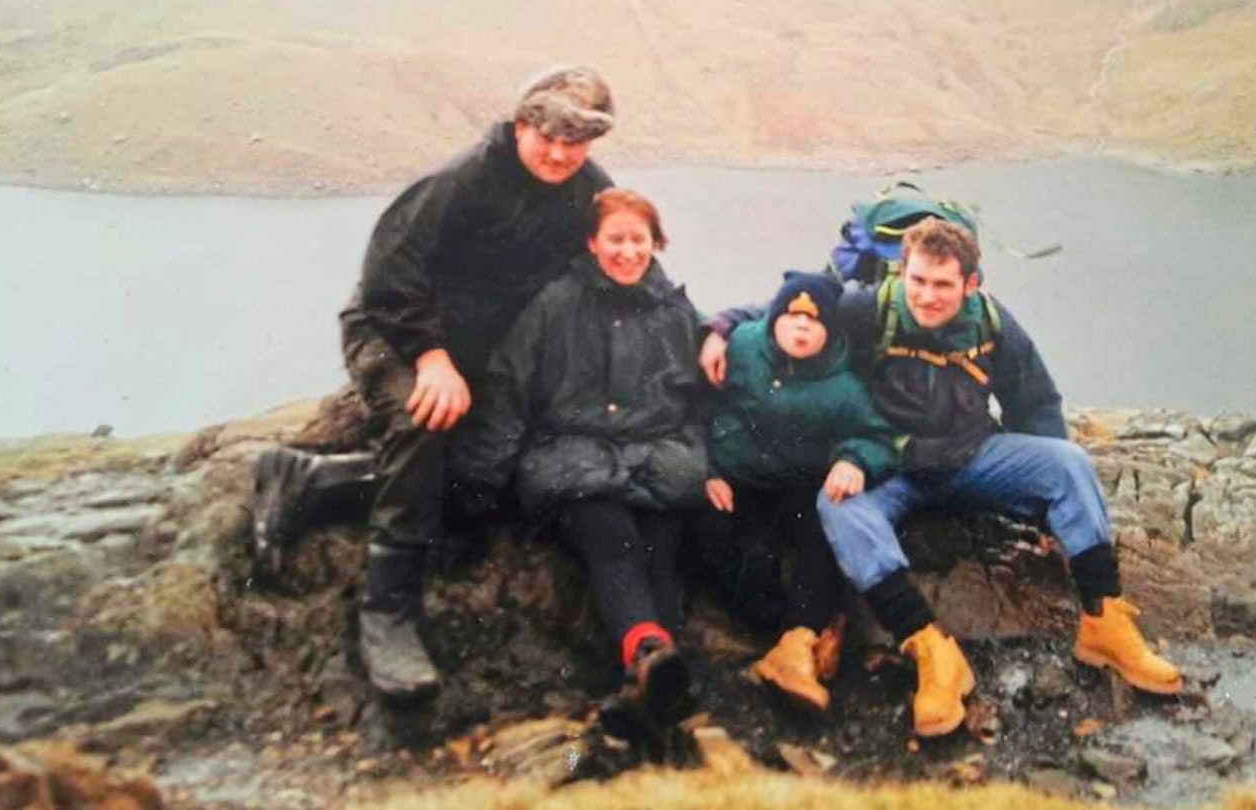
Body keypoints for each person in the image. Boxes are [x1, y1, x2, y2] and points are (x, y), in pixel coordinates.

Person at [700, 216, 1182, 738]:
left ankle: (1103, 622)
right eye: (917, 282)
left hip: (972, 459)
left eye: (943, 285)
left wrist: (1052, 516)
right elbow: (785, 307)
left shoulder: (994, 324)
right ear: (901, 274)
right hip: (892, 467)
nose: (927, 297)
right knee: (837, 506)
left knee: (1067, 462)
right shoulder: (868, 309)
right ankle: (933, 651)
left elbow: (1035, 403)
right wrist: (718, 329)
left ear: (972, 284)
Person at [250, 65, 616, 698]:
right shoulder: (465, 180)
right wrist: (430, 358)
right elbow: (388, 274)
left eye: (575, 141)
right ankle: (387, 611)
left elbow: (624, 263)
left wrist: (712, 333)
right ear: (522, 123)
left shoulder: (590, 191)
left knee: (496, 472)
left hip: (484, 355)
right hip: (395, 331)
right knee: (425, 421)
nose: (559, 153)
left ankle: (314, 481)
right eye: (547, 135)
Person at [456, 189, 706, 726]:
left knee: (662, 548)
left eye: (638, 239)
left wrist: (725, 336)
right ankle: (651, 658)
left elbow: (701, 390)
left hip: (657, 457)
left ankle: (655, 676)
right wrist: (483, 477)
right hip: (576, 459)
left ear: (655, 243)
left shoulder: (675, 310)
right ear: (592, 242)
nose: (627, 251)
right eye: (615, 239)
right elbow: (508, 385)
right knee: (611, 536)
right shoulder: (554, 304)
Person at [693, 271, 898, 712]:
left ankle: (800, 639)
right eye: (791, 317)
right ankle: (781, 628)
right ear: (772, 320)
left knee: (823, 531)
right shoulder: (742, 348)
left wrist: (853, 460)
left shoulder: (845, 385)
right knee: (712, 530)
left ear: (831, 330)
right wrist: (706, 470)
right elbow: (697, 407)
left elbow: (876, 437)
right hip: (735, 478)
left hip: (800, 483)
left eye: (814, 321)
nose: (801, 328)